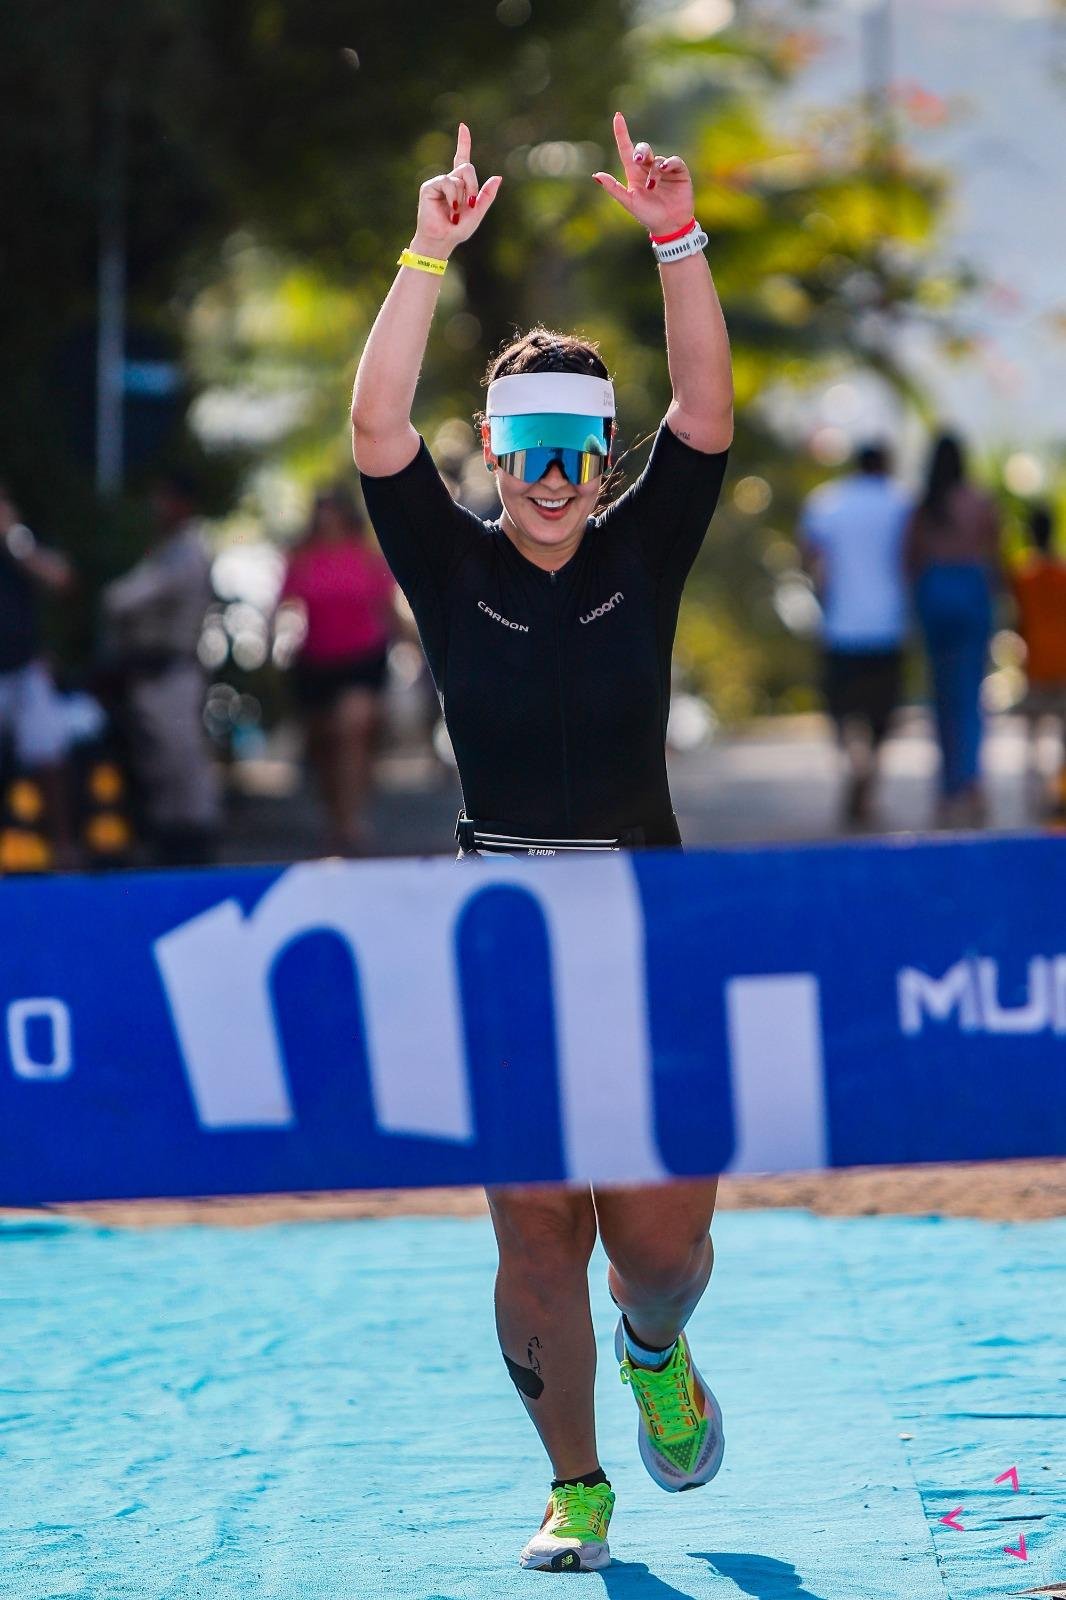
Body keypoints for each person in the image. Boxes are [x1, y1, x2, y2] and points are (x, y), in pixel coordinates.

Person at [352, 117, 732, 1573]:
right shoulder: (450, 567)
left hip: (648, 923)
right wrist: (426, 251)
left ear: (602, 453)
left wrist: (673, 237)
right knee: (532, 1236)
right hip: (500, 927)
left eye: (579, 450)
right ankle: (574, 1484)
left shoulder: (644, 547)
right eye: (529, 452)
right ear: (495, 455)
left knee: (655, 1251)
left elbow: (703, 410)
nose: (557, 480)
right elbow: (377, 428)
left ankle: (655, 1350)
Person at [101, 471, 221, 866]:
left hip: (172, 670)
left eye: (165, 498)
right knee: (161, 767)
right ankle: (174, 844)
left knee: (182, 761)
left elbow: (127, 597)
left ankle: (197, 844)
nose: (158, 507)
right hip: (149, 674)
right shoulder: (166, 547)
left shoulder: (185, 551)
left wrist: (106, 596)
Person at [798, 442, 912, 827]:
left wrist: (822, 596)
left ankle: (854, 762)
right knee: (883, 712)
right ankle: (870, 771)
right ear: (886, 464)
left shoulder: (828, 503)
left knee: (842, 710)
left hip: (840, 625)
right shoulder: (903, 503)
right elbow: (915, 558)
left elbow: (809, 558)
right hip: (890, 625)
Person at [279, 487, 397, 854]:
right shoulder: (301, 559)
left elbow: (388, 610)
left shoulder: (367, 559)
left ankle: (352, 821)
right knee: (324, 744)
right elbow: (283, 608)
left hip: (363, 659)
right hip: (316, 662)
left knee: (353, 728)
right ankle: (335, 815)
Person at [905, 432, 1001, 828]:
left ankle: (948, 789)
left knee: (941, 695)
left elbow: (909, 559)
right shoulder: (979, 502)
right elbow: (995, 553)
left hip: (934, 592)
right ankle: (970, 782)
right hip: (970, 591)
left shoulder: (923, 506)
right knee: (969, 693)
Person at [0, 480, 75, 862]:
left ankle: (62, 849)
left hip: (25, 667)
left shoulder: (21, 543)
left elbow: (61, 579)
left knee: (48, 753)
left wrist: (15, 540)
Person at [1012, 503, 1066, 817]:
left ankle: (1035, 792)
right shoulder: (1061, 574)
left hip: (1035, 666)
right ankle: (1058, 793)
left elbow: (1017, 621)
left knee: (1033, 736)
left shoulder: (1023, 575)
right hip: (1062, 665)